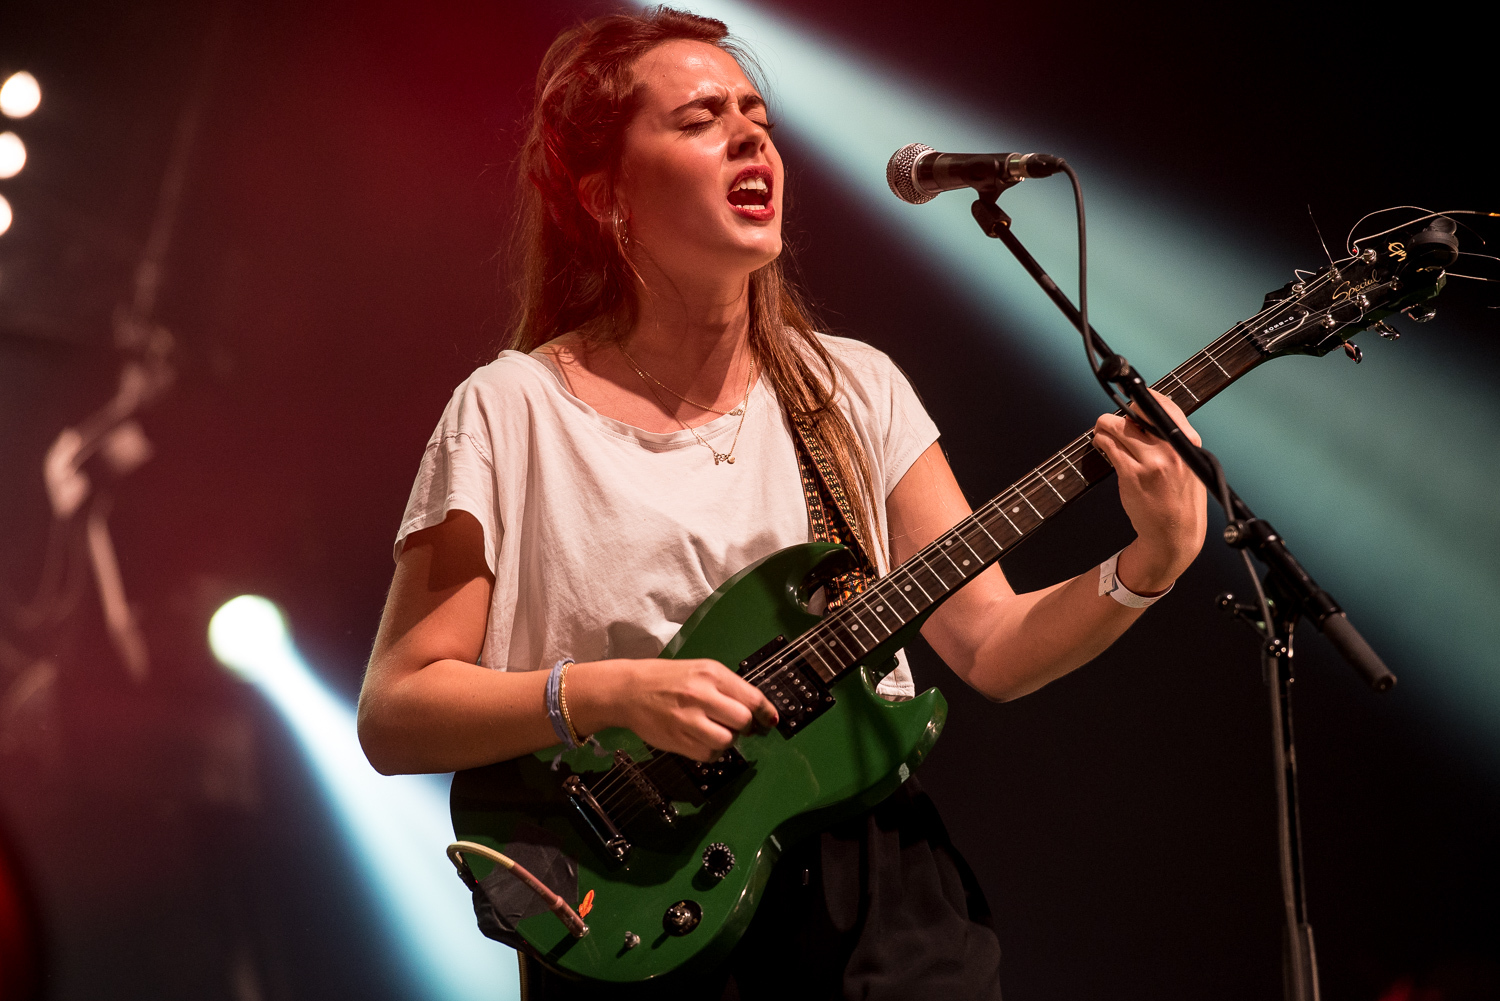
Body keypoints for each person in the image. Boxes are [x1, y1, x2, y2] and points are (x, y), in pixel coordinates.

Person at [356, 7, 1206, 998]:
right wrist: (605, 691)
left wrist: (1147, 566)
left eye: (757, 112)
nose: (752, 134)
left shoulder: (851, 387)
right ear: (606, 193)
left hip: (876, 892)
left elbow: (994, 645)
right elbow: (397, 708)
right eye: (701, 117)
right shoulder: (510, 410)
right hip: (644, 892)